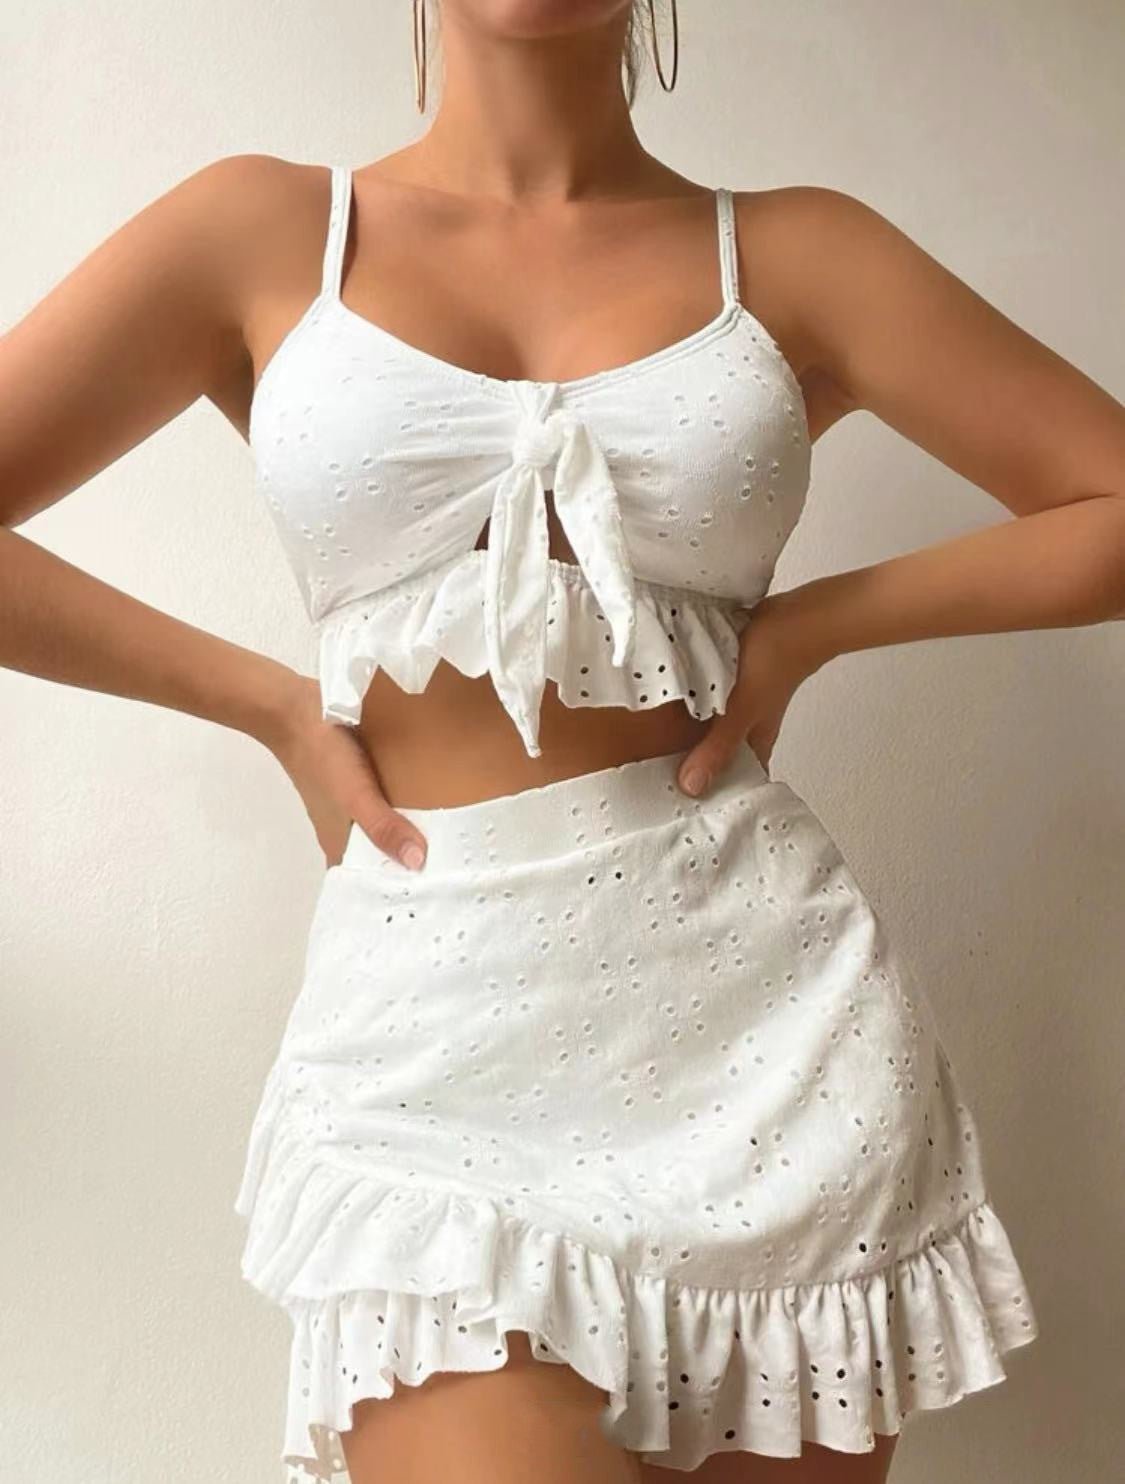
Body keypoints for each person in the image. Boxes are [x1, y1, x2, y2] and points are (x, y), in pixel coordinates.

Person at [5, 3, 1124, 1482]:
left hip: (765, 1037)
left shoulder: (797, 253)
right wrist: (268, 704)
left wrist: (813, 625)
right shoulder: (262, 230)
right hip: (429, 1044)